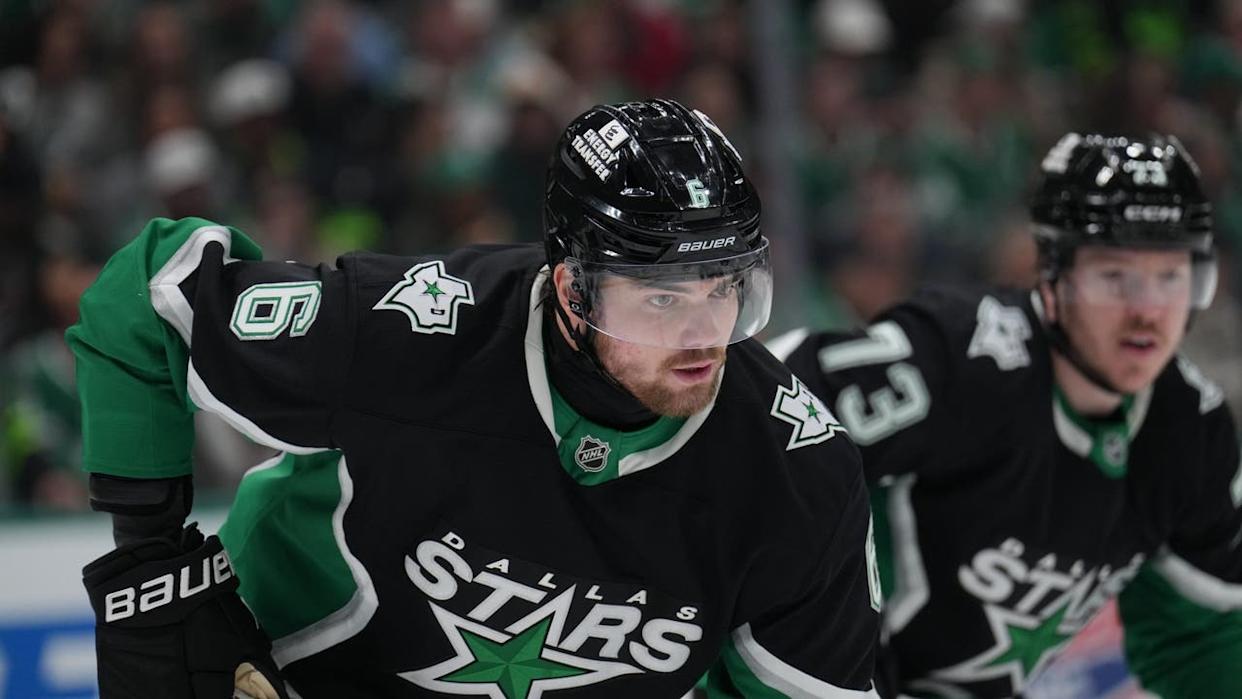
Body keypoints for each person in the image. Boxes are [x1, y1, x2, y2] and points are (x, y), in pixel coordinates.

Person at [68, 99, 883, 698]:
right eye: (663, 298)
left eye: (725, 289)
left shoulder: (797, 474)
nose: (704, 335)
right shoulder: (417, 332)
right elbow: (149, 294)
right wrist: (151, 554)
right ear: (572, 290)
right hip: (290, 671)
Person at [772, 132, 1242, 698]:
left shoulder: (1189, 430)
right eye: (1115, 277)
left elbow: (1204, 638)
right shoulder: (965, 357)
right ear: (1054, 274)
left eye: (1171, 277)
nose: (1148, 311)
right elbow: (764, 408)